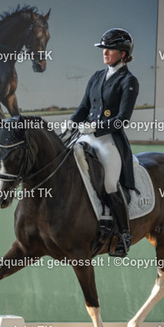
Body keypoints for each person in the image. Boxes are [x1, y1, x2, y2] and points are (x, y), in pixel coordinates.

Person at [70, 28, 139, 258]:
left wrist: (96, 127)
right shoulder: (97, 76)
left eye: (110, 49)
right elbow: (83, 108)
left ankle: (124, 234)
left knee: (110, 183)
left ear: (123, 53)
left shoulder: (129, 81)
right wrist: (70, 123)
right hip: (85, 135)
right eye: (104, 49)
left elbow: (122, 119)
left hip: (109, 140)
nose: (105, 52)